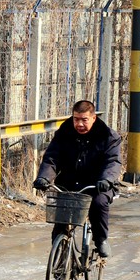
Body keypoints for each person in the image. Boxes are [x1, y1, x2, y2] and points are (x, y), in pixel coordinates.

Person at [32, 100, 123, 258]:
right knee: (60, 218)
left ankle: (101, 239)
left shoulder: (108, 136)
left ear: (93, 118)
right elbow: (52, 158)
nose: (79, 124)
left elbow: (113, 162)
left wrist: (106, 180)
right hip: (68, 183)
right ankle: (59, 260)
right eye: (76, 119)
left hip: (98, 185)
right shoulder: (64, 133)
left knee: (98, 204)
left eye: (84, 120)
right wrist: (44, 177)